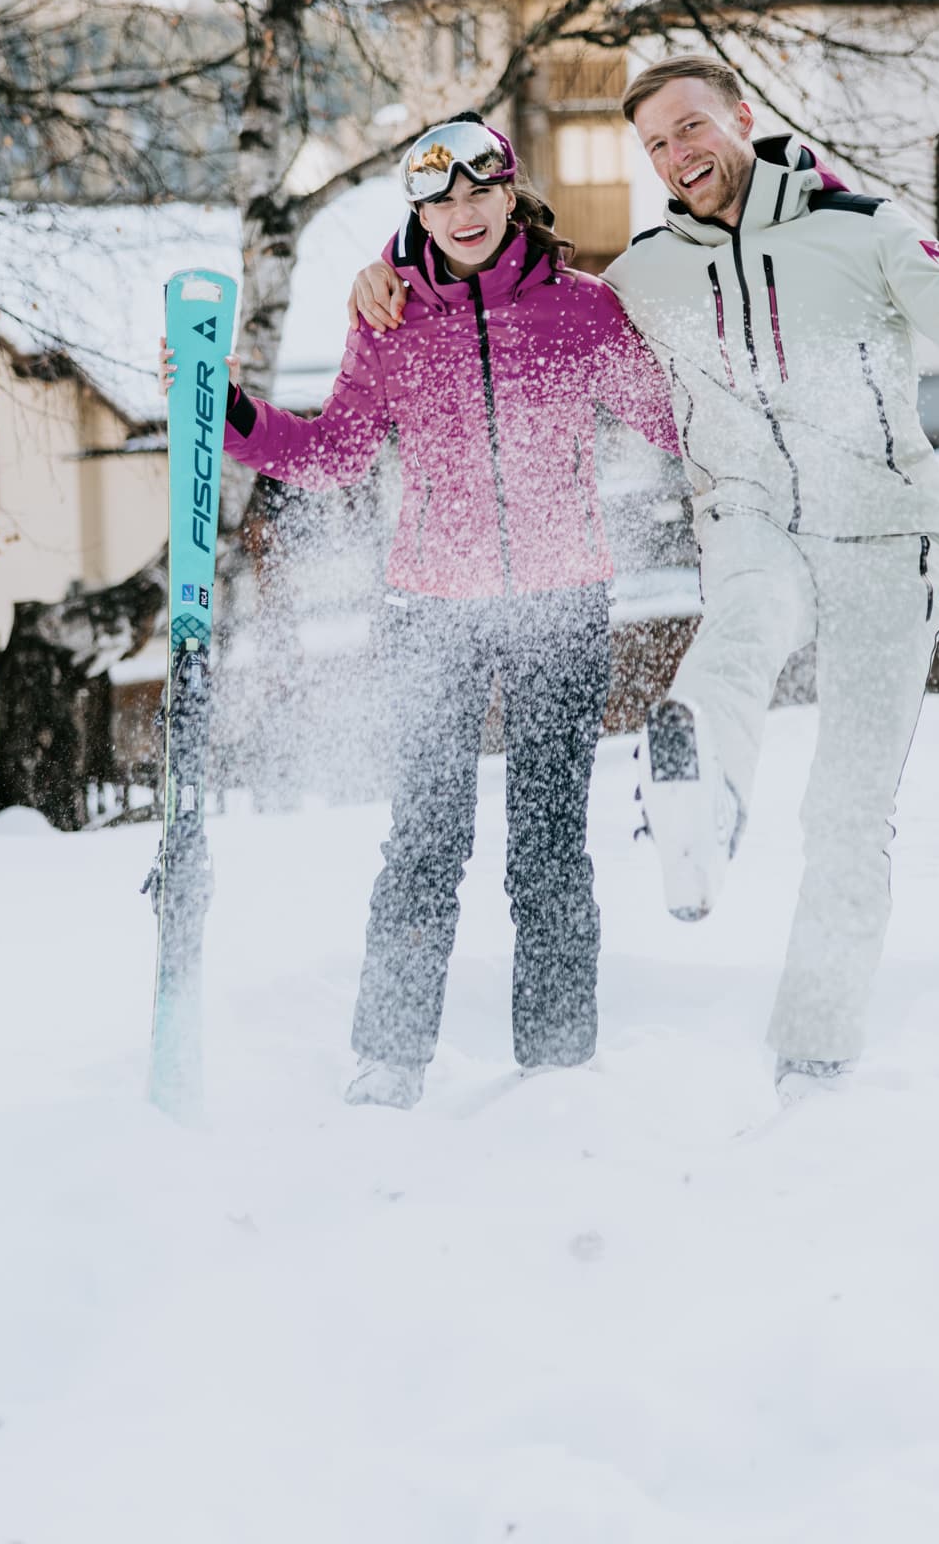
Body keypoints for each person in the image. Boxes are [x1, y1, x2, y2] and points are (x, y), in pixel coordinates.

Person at [349, 60, 939, 1104]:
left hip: (879, 530)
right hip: (748, 518)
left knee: (845, 809)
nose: (677, 154)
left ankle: (814, 1051)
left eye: (689, 127)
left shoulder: (861, 227)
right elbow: (498, 267)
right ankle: (700, 795)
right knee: (738, 634)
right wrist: (381, 264)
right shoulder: (643, 275)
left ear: (740, 117)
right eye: (655, 144)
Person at [163, 114, 678, 1109]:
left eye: (478, 190)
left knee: (548, 843)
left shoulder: (580, 310)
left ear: (510, 191)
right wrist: (223, 414)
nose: (461, 211)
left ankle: (560, 1065)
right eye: (438, 198)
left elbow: (668, 418)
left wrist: (697, 325)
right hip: (430, 608)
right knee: (424, 839)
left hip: (562, 602)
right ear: (418, 211)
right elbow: (338, 451)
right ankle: (389, 1058)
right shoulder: (388, 316)